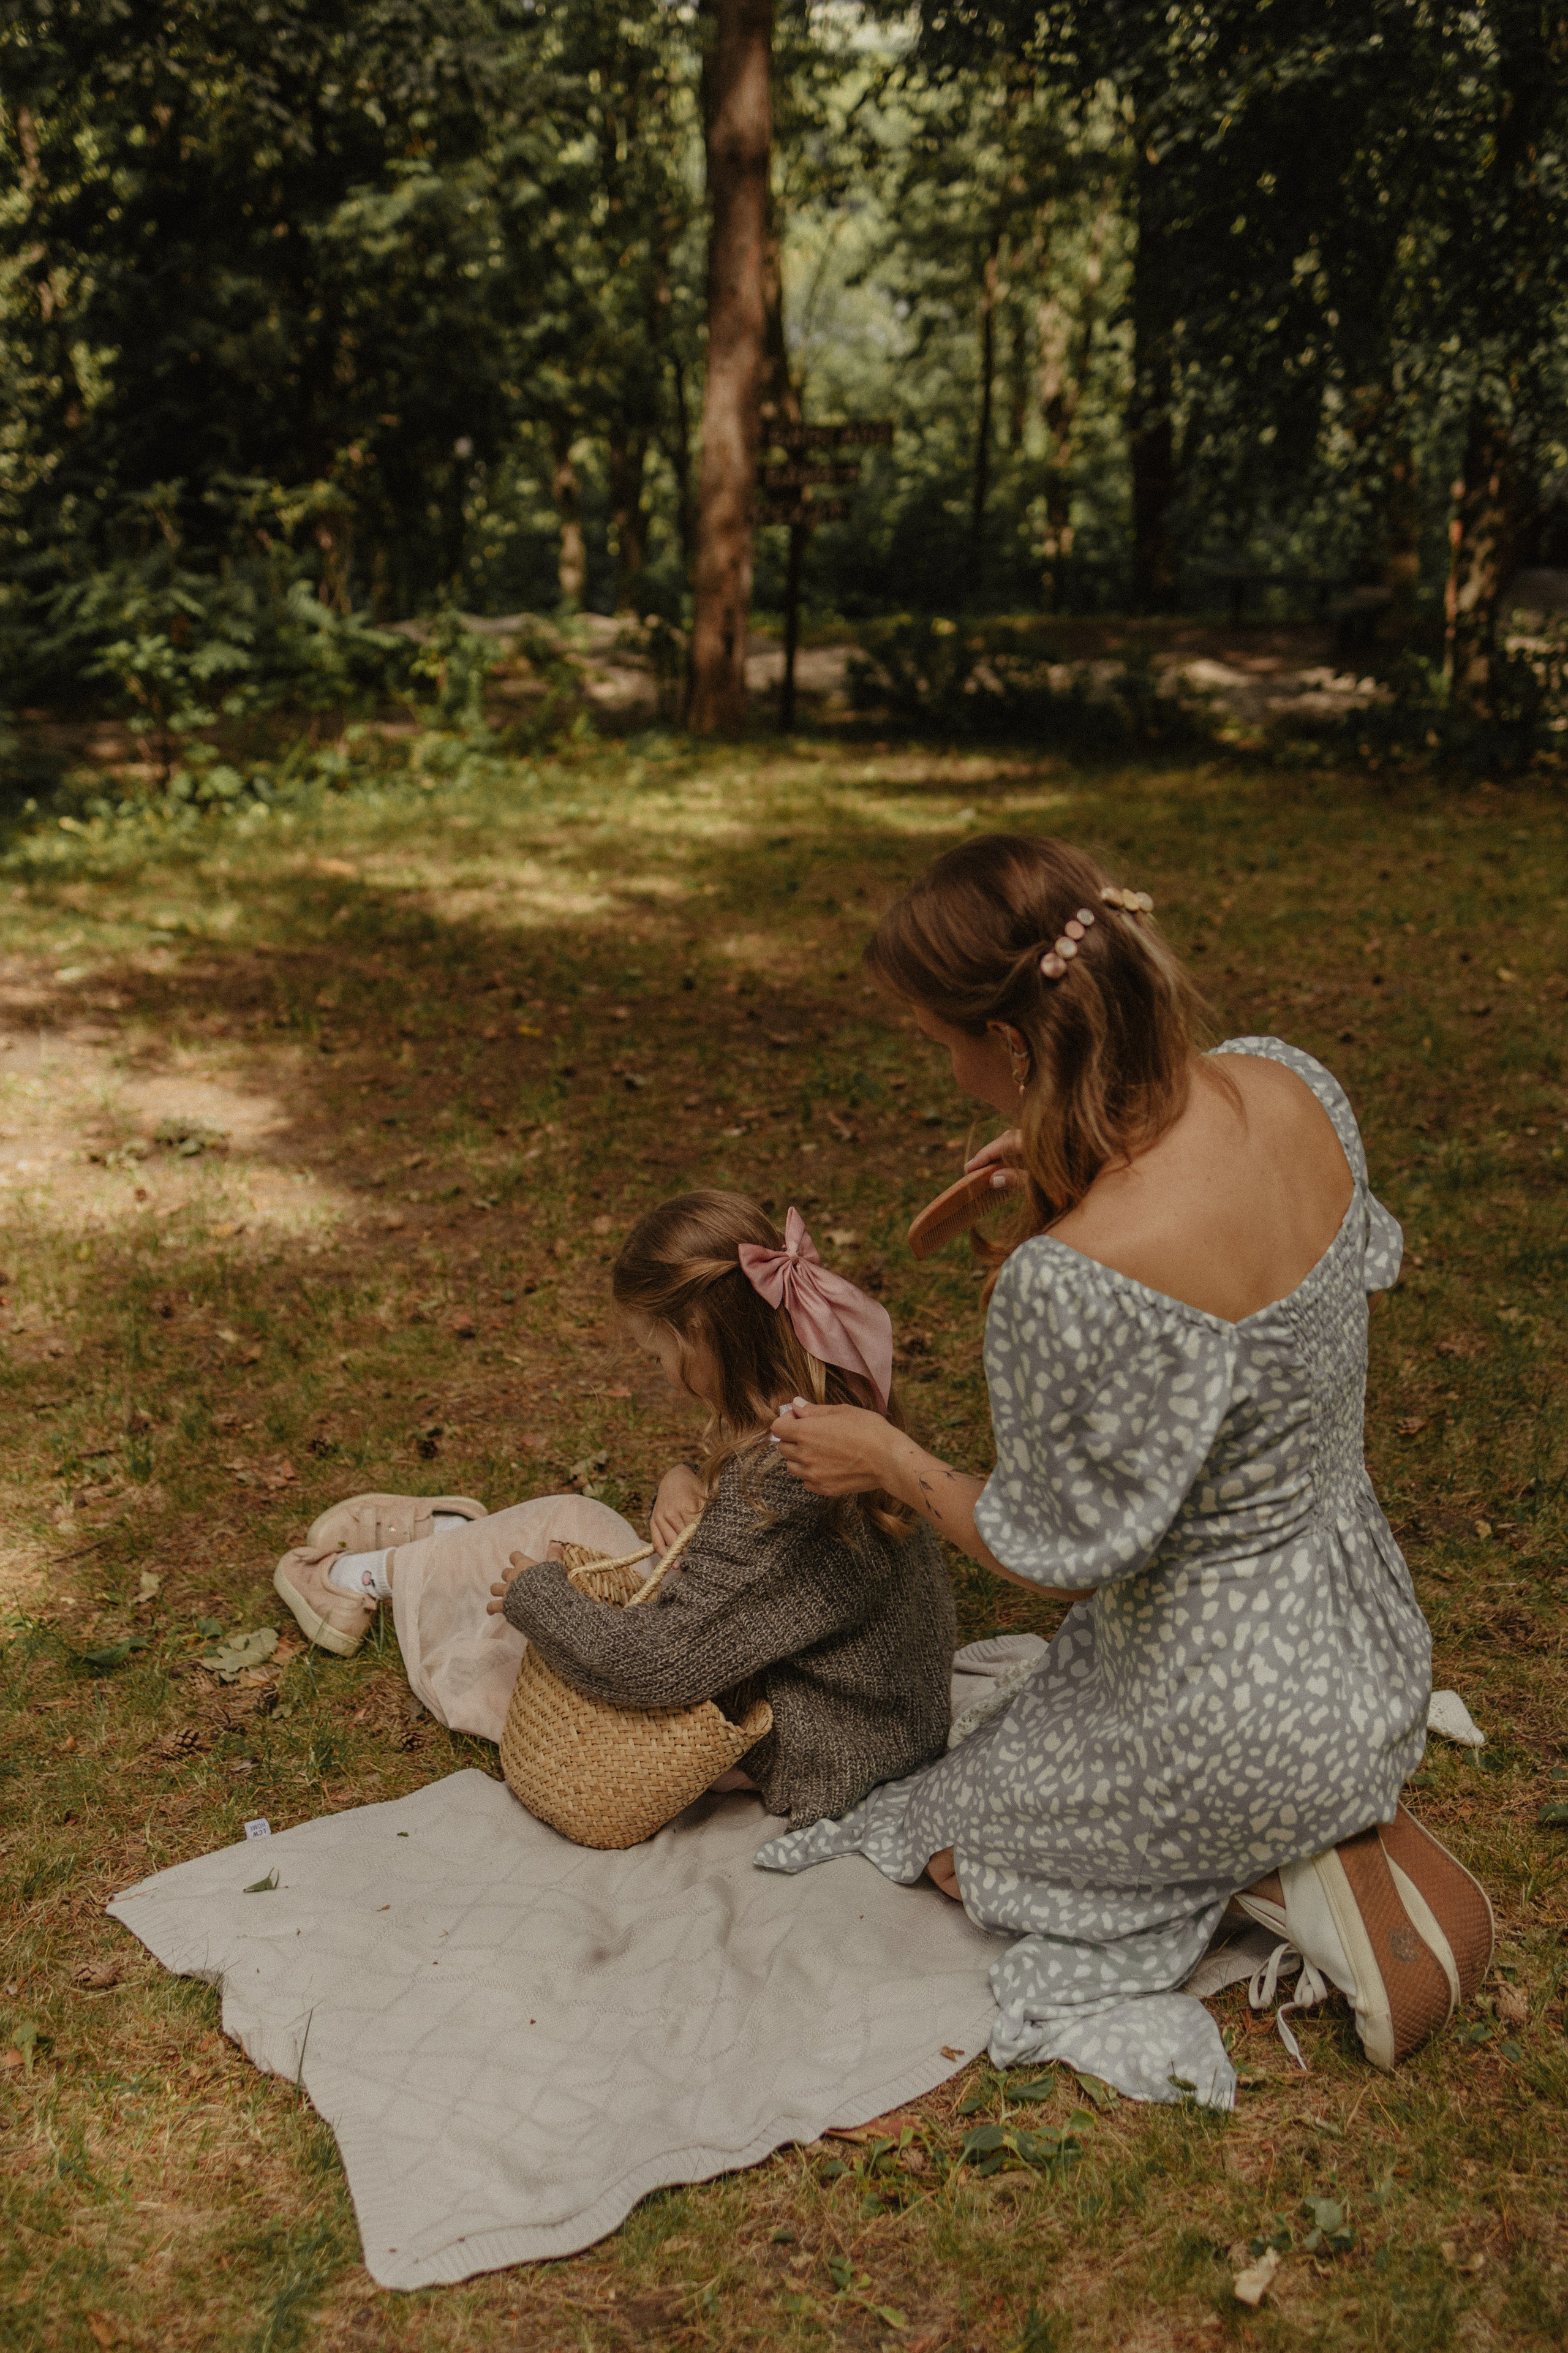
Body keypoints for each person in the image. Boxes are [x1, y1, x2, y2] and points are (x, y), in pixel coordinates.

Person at [762, 831, 1492, 2107]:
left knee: (945, 1844)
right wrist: (1061, 1170)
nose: (943, 1069)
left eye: (943, 1040)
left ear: (1014, 1042)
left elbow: (1047, 1547)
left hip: (1214, 1712)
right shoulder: (1290, 1084)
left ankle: (1267, 1858)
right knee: (989, 1774)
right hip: (1361, 1638)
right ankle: (1309, 1823)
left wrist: (882, 1453)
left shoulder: (1069, 1282)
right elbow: (1223, 1278)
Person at [272, 1190, 956, 1835]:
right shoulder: (827, 1403)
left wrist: (538, 1596)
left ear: (695, 1331)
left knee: (546, 1598)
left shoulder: (780, 1483)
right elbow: (760, 1580)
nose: (659, 1370)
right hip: (859, 1711)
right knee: (572, 1537)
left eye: (656, 1352)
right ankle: (437, 1547)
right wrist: (679, 1477)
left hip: (819, 1747)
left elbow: (654, 1665)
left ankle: (367, 1575)